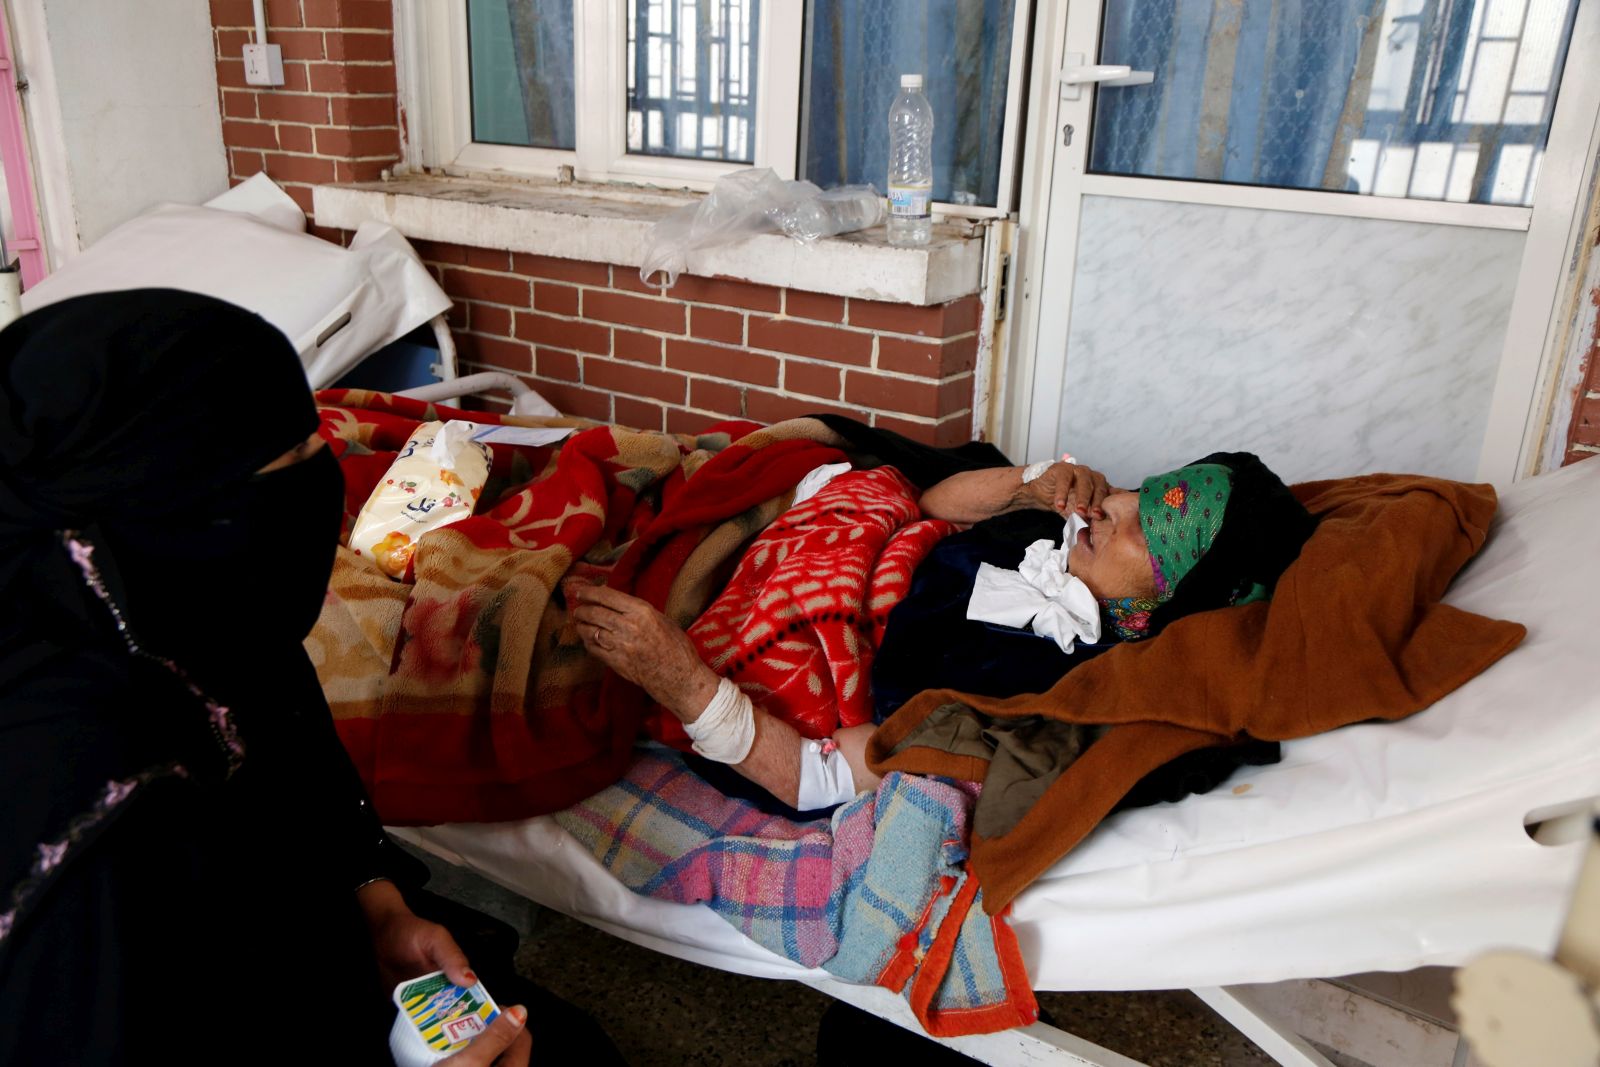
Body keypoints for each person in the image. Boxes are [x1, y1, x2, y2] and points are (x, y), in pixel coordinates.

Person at [0, 291, 612, 1065]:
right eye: (289, 464)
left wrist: (375, 901)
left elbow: (306, 799)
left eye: (317, 445)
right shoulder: (88, 828)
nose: (320, 484)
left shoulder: (202, 628)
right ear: (162, 506)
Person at [570, 448, 1312, 811]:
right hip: (808, 527)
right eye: (1139, 492)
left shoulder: (1041, 686)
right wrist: (1024, 482)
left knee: (560, 642)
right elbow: (930, 498)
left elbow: (819, 776)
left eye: (1147, 529)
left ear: (1159, 609)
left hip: (785, 637)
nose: (1113, 505)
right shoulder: (1061, 530)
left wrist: (682, 679)